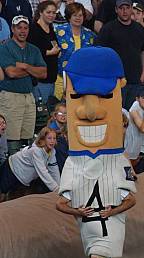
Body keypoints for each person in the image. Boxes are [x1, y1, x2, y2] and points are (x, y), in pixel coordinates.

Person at [56, 47, 137, 258]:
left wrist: (112, 211)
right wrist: (76, 211)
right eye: (77, 96)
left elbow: (132, 198)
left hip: (110, 220)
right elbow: (60, 203)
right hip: (87, 224)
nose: (91, 112)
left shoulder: (119, 161)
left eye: (104, 96)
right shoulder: (72, 162)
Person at [0, 15, 47, 156]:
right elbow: (11, 72)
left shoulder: (33, 49)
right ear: (13, 29)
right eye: (19, 27)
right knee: (11, 140)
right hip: (10, 96)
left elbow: (44, 73)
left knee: (27, 140)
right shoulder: (5, 47)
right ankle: (9, 174)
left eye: (25, 28)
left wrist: (25, 66)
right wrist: (33, 70)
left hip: (29, 96)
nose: (22, 31)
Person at [96, 0, 144, 109]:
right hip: (115, 82)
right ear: (116, 10)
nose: (124, 11)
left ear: (131, 9)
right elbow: (99, 53)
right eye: (121, 8)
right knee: (116, 115)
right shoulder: (108, 29)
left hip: (136, 81)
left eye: (127, 8)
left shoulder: (139, 28)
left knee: (134, 115)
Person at [0, 127, 60, 201]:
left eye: (54, 138)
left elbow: (54, 169)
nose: (52, 141)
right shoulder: (36, 151)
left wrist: (60, 188)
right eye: (49, 138)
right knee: (2, 195)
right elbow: (43, 172)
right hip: (11, 169)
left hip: (23, 177)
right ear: (43, 139)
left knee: (14, 199)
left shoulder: (52, 151)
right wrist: (56, 189)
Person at [54, 2, 95, 100]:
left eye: (80, 15)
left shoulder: (90, 35)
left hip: (82, 80)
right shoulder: (58, 32)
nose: (78, 18)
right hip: (61, 79)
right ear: (69, 16)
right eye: (75, 15)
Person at [27, 0, 59, 106]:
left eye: (54, 12)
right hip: (40, 80)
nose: (52, 15)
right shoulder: (33, 29)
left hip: (51, 78)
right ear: (40, 12)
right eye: (48, 12)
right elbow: (30, 51)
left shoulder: (50, 28)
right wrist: (49, 52)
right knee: (41, 113)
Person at [126, 87, 144, 169]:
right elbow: (143, 129)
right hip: (127, 149)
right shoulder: (134, 109)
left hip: (136, 150)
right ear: (137, 99)